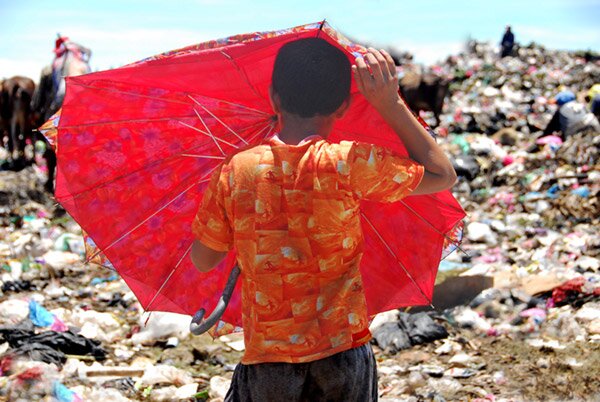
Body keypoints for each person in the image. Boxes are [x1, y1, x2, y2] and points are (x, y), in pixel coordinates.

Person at [189, 38, 456, 401]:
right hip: (342, 353)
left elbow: (203, 260)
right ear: (343, 105)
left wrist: (246, 235)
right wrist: (389, 103)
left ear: (274, 97)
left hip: (270, 361)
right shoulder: (350, 163)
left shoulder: (237, 171)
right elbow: (442, 175)